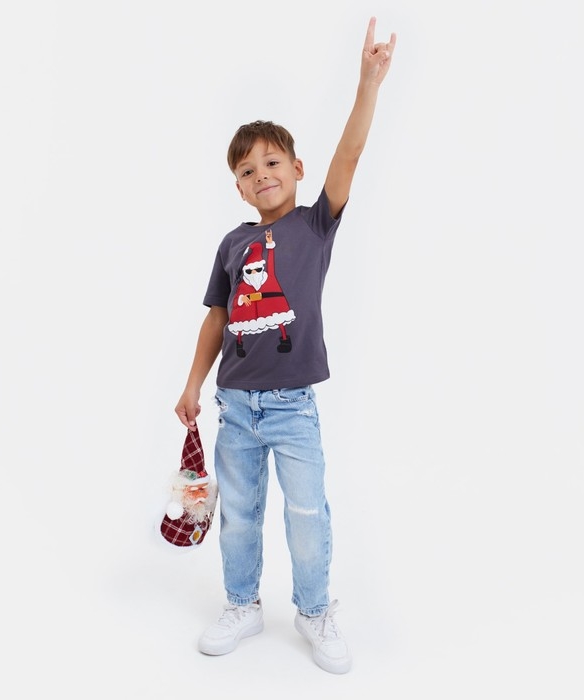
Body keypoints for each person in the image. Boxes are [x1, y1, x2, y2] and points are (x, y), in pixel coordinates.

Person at [174, 16, 396, 674]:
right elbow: (216, 319)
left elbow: (349, 156)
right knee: (240, 515)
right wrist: (192, 385)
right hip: (236, 408)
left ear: (297, 169)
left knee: (306, 512)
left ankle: (314, 609)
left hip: (293, 407)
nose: (261, 174)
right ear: (238, 186)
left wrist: (368, 83)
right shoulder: (233, 243)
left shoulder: (314, 225)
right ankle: (242, 604)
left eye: (272, 163)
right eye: (247, 170)